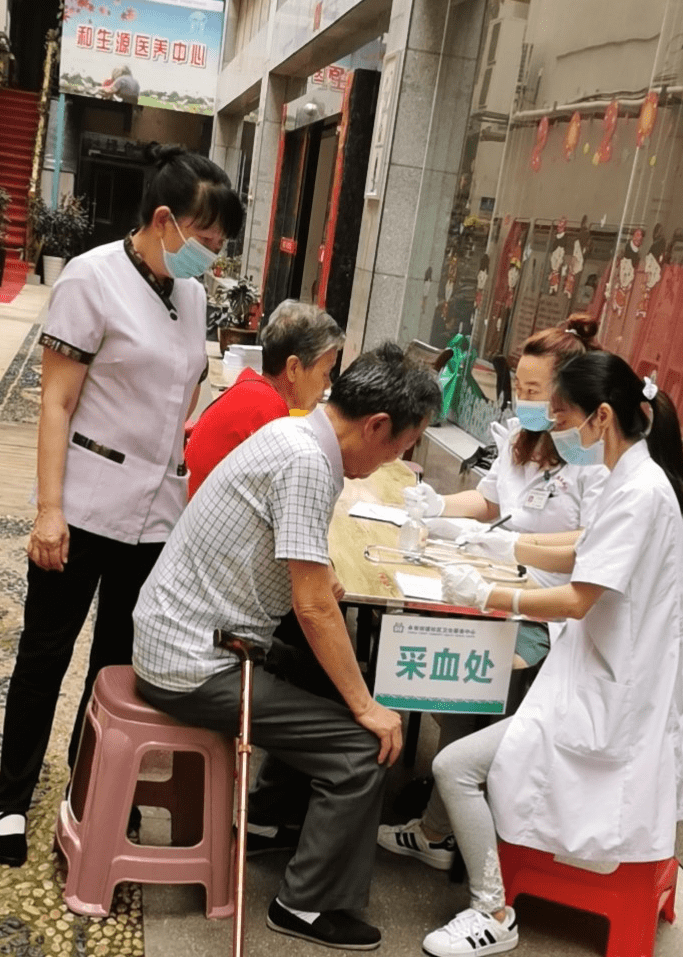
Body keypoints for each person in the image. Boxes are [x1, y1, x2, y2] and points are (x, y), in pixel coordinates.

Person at [132, 343, 442, 951]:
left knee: (328, 680)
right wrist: (368, 708)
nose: (391, 461)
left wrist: (320, 581)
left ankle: (272, 818)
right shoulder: (308, 461)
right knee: (361, 745)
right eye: (400, 448)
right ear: (376, 425)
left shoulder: (298, 436)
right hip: (196, 661)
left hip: (181, 633)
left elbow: (298, 566)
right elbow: (314, 606)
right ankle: (304, 905)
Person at [0, 144, 244, 867]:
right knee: (45, 654)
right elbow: (57, 403)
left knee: (117, 666)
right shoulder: (90, 279)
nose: (211, 258)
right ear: (164, 220)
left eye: (219, 246)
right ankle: (10, 801)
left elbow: (185, 387)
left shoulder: (190, 294)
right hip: (84, 504)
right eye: (206, 240)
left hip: (155, 516)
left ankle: (86, 794)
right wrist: (48, 508)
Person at [420, 351, 683, 957]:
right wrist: (493, 540)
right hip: (597, 680)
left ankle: (492, 910)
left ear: (601, 417)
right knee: (474, 763)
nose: (557, 431)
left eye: (563, 418)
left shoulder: (636, 492)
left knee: (454, 768)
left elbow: (574, 599)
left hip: (603, 696)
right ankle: (487, 894)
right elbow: (582, 549)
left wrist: (488, 591)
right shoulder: (634, 480)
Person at [378, 314, 608, 870]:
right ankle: (443, 817)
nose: (523, 401)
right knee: (448, 673)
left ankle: (448, 817)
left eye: (534, 391)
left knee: (457, 671)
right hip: (494, 588)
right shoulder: (522, 438)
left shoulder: (590, 454)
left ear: (569, 393)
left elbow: (595, 539)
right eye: (520, 388)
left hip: (548, 613)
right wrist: (432, 506)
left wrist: (515, 547)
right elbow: (488, 502)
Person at [185, 299, 345, 497]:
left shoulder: (255, 391)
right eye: (325, 373)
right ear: (294, 368)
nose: (328, 384)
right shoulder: (267, 412)